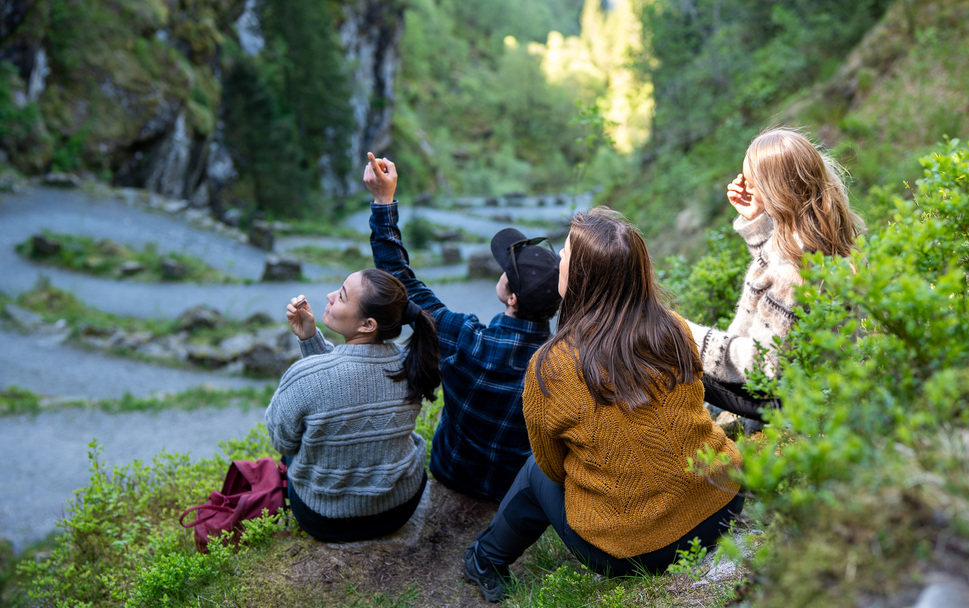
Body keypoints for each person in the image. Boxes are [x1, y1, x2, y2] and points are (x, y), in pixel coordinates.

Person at [462, 207, 744, 602]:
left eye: (564, 253)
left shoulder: (552, 366)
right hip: (723, 503)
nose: (557, 259)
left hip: (631, 553)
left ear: (579, 279)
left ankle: (484, 558)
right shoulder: (673, 327)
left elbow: (550, 465)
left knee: (533, 472)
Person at [363, 153, 562, 502]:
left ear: (512, 297)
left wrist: (383, 202)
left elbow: (399, 280)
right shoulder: (562, 368)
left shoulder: (463, 339)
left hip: (451, 471)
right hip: (509, 490)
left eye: (507, 270)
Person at [689, 127, 864, 427]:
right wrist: (757, 221)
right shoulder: (823, 234)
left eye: (752, 184)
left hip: (789, 399)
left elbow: (761, 365)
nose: (745, 187)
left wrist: (688, 337)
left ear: (776, 192)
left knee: (669, 347)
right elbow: (770, 291)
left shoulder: (790, 273)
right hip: (814, 381)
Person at [265, 268, 442, 543]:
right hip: (399, 507)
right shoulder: (412, 364)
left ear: (368, 325)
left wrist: (310, 356)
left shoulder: (305, 377)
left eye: (342, 296)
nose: (329, 295)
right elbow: (342, 384)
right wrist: (310, 340)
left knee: (293, 450)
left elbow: (284, 443)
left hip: (325, 520)